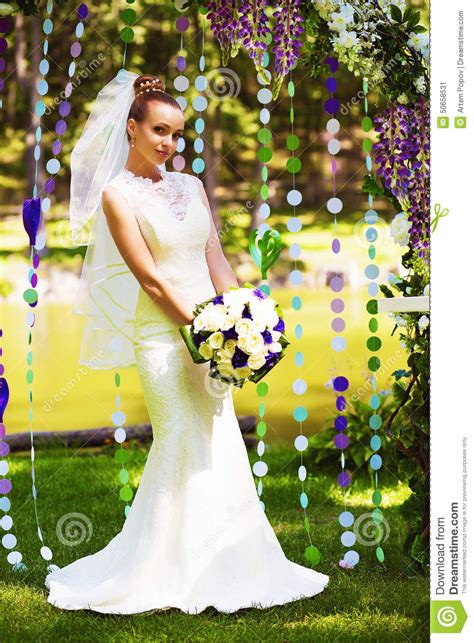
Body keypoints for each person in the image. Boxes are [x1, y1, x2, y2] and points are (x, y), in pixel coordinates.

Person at [44, 70, 329, 614]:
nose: (169, 144)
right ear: (131, 128)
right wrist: (202, 328)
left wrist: (243, 316)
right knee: (179, 441)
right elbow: (150, 279)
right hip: (164, 335)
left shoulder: (191, 184)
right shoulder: (116, 195)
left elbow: (213, 256)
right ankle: (167, 568)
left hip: (216, 331)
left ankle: (233, 558)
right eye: (159, 131)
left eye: (177, 134)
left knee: (220, 438)